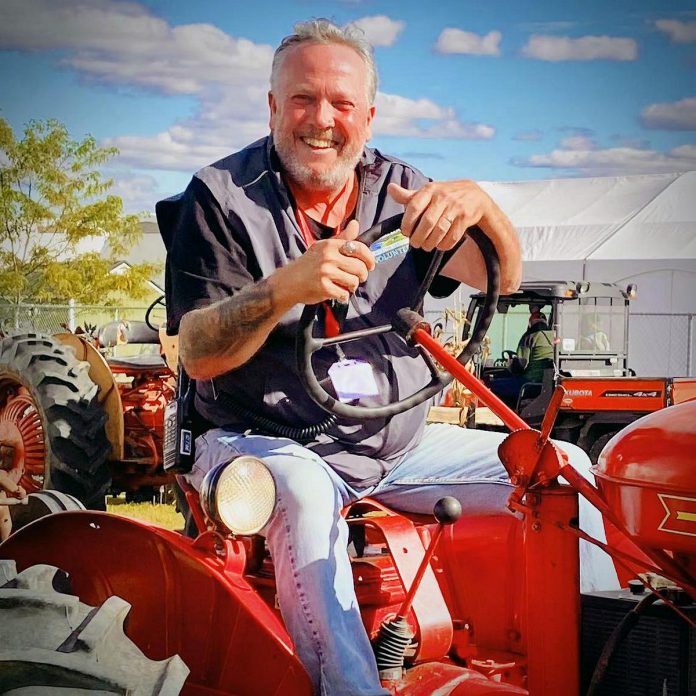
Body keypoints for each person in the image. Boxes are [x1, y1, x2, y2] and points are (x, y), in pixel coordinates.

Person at [164, 19, 618, 696]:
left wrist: (482, 204)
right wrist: (287, 286)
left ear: (368, 116)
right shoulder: (222, 198)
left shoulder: (399, 189)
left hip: (394, 447)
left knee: (567, 469)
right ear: (271, 105)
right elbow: (197, 352)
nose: (322, 120)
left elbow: (503, 274)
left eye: (342, 104)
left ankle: (604, 667)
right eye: (303, 99)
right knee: (306, 491)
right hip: (263, 441)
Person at [489, 309, 555, 407]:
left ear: (530, 323)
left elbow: (521, 364)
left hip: (530, 382)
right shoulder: (554, 336)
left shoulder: (530, 336)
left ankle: (507, 414)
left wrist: (510, 365)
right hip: (547, 383)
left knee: (491, 386)